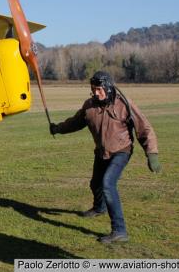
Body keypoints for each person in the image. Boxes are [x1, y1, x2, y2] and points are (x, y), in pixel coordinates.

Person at [49, 71, 160, 244]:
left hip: (121, 151)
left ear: (108, 88)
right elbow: (75, 122)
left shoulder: (124, 104)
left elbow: (144, 128)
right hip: (101, 152)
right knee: (95, 184)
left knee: (108, 184)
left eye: (99, 89)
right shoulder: (89, 106)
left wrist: (151, 154)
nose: (95, 93)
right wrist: (58, 128)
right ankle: (99, 208)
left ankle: (120, 230)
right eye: (93, 89)